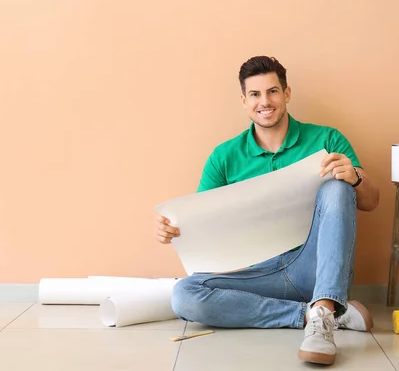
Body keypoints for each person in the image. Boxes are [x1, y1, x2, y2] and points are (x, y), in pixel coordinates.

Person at [154, 56, 380, 366]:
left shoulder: (327, 139)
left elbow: (370, 201)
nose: (265, 102)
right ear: (244, 101)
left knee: (338, 186)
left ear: (286, 94)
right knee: (184, 295)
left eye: (273, 92)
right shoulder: (224, 156)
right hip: (256, 273)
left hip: (313, 267)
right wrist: (172, 230)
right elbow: (202, 222)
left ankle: (325, 306)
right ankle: (316, 315)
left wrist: (354, 178)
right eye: (256, 95)